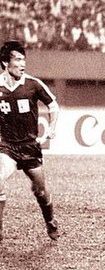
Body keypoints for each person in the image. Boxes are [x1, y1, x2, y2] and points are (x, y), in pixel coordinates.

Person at [0, 41, 60, 241]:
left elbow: (53, 106)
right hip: (6, 146)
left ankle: (50, 221)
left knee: (40, 191)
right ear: (5, 63)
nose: (22, 64)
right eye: (17, 59)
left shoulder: (33, 85)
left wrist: (51, 128)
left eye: (24, 59)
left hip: (29, 148)